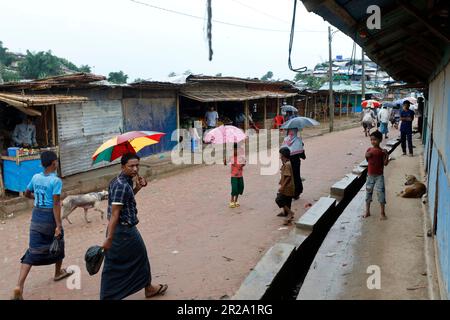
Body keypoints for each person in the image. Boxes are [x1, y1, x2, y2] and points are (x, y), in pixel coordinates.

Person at [101, 153, 168, 300]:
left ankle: (148, 288)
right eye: (131, 166)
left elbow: (126, 201)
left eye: (137, 165)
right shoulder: (121, 185)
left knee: (138, 259)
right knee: (115, 265)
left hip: (124, 229)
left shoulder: (122, 182)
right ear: (122, 166)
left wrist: (137, 188)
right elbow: (115, 214)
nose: (135, 169)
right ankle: (109, 296)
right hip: (122, 231)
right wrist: (109, 238)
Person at [12, 151, 72, 300]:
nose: (57, 163)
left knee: (32, 250)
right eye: (56, 161)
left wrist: (36, 197)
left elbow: (26, 193)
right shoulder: (56, 181)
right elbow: (56, 203)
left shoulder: (35, 177)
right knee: (58, 242)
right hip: (49, 218)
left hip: (36, 217)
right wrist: (58, 225)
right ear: (53, 163)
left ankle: (19, 286)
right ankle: (58, 273)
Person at [364, 131, 389, 220]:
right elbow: (367, 160)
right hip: (370, 175)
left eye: (375, 139)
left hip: (379, 176)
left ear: (380, 140)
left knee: (381, 193)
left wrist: (387, 155)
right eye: (371, 140)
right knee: (368, 193)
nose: (373, 141)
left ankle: (382, 213)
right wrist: (366, 155)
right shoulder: (369, 150)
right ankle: (367, 211)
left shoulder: (382, 152)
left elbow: (385, 163)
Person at [281, 129, 304, 200]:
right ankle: (296, 193)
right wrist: (301, 145)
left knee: (288, 177)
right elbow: (302, 154)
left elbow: (282, 150)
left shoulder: (285, 139)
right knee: (296, 176)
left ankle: (288, 192)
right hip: (296, 162)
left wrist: (283, 161)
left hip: (287, 162)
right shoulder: (298, 140)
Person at [276, 147, 296, 225]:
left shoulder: (287, 164)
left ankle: (290, 213)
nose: (279, 156)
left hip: (287, 187)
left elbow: (288, 177)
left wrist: (282, 187)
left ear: (283, 155)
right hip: (288, 186)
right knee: (287, 201)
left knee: (279, 199)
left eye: (280, 154)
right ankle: (287, 213)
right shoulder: (286, 163)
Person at [224, 143, 245, 208]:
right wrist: (225, 160)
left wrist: (242, 164)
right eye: (235, 150)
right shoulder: (231, 156)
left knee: (240, 187)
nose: (236, 151)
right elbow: (225, 163)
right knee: (234, 188)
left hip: (240, 175)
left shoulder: (241, 156)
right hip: (234, 176)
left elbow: (244, 163)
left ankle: (236, 200)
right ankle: (232, 200)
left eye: (237, 150)